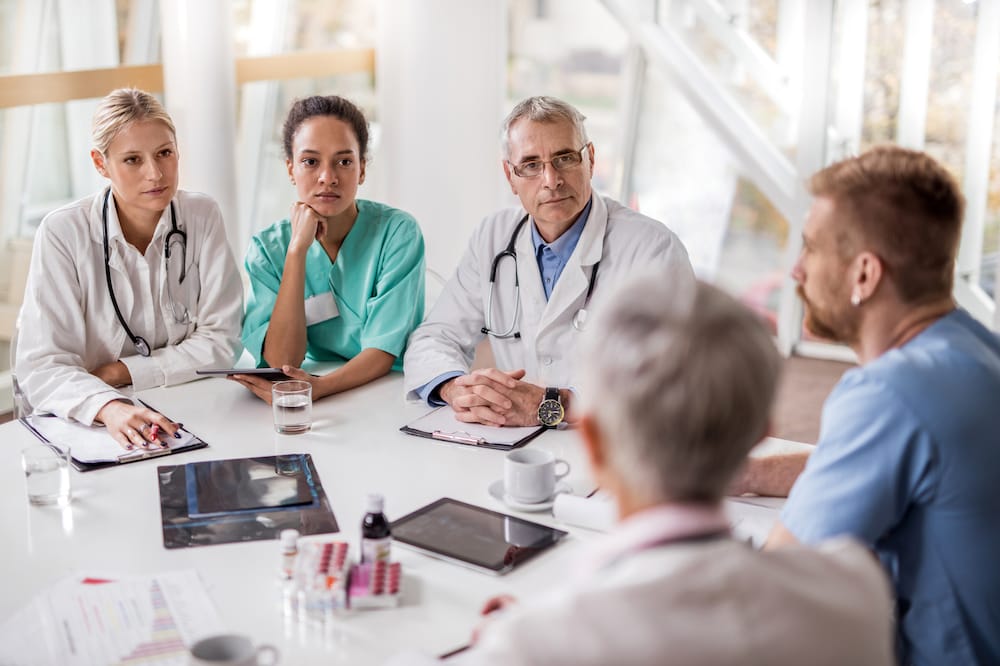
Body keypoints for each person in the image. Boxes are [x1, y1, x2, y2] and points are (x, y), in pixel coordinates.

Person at [390, 274, 895, 666]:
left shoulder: (534, 646)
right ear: (761, 433)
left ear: (594, 443)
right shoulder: (857, 592)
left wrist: (515, 639)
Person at [736, 146, 1000, 665]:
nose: (796, 271)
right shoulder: (976, 349)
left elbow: (767, 589)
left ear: (863, 275)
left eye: (811, 249)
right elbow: (898, 464)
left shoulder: (889, 393)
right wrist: (752, 474)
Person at [403, 96, 694, 428]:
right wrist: (456, 388)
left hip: (620, 444)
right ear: (510, 176)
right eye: (530, 165)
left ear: (591, 159)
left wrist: (554, 405)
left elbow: (667, 376)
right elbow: (435, 337)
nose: (551, 180)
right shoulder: (494, 236)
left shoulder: (652, 249)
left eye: (565, 158)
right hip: (515, 444)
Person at [15, 88, 243, 450]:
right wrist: (109, 405)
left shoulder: (201, 216)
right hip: (86, 421)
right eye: (133, 160)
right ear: (100, 163)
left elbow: (221, 341)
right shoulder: (63, 232)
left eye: (164, 153)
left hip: (183, 405)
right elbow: (42, 366)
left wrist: (120, 372)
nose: (155, 173)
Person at [233, 95, 425, 403]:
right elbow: (282, 362)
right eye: (310, 161)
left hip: (387, 392)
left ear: (362, 169)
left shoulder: (397, 233)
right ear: (290, 168)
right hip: (309, 392)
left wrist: (319, 388)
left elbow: (382, 352)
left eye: (344, 162)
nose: (328, 177)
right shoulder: (268, 250)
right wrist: (297, 252)